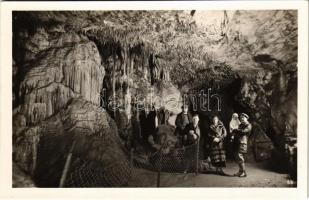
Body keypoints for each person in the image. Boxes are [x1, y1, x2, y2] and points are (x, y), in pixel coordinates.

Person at [232, 113, 252, 178]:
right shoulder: (241, 125)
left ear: (246, 118)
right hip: (238, 142)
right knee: (238, 157)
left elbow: (244, 131)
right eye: (241, 118)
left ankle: (243, 172)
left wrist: (236, 130)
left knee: (240, 156)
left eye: (243, 118)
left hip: (243, 142)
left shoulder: (248, 125)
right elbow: (236, 132)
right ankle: (240, 171)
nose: (242, 119)